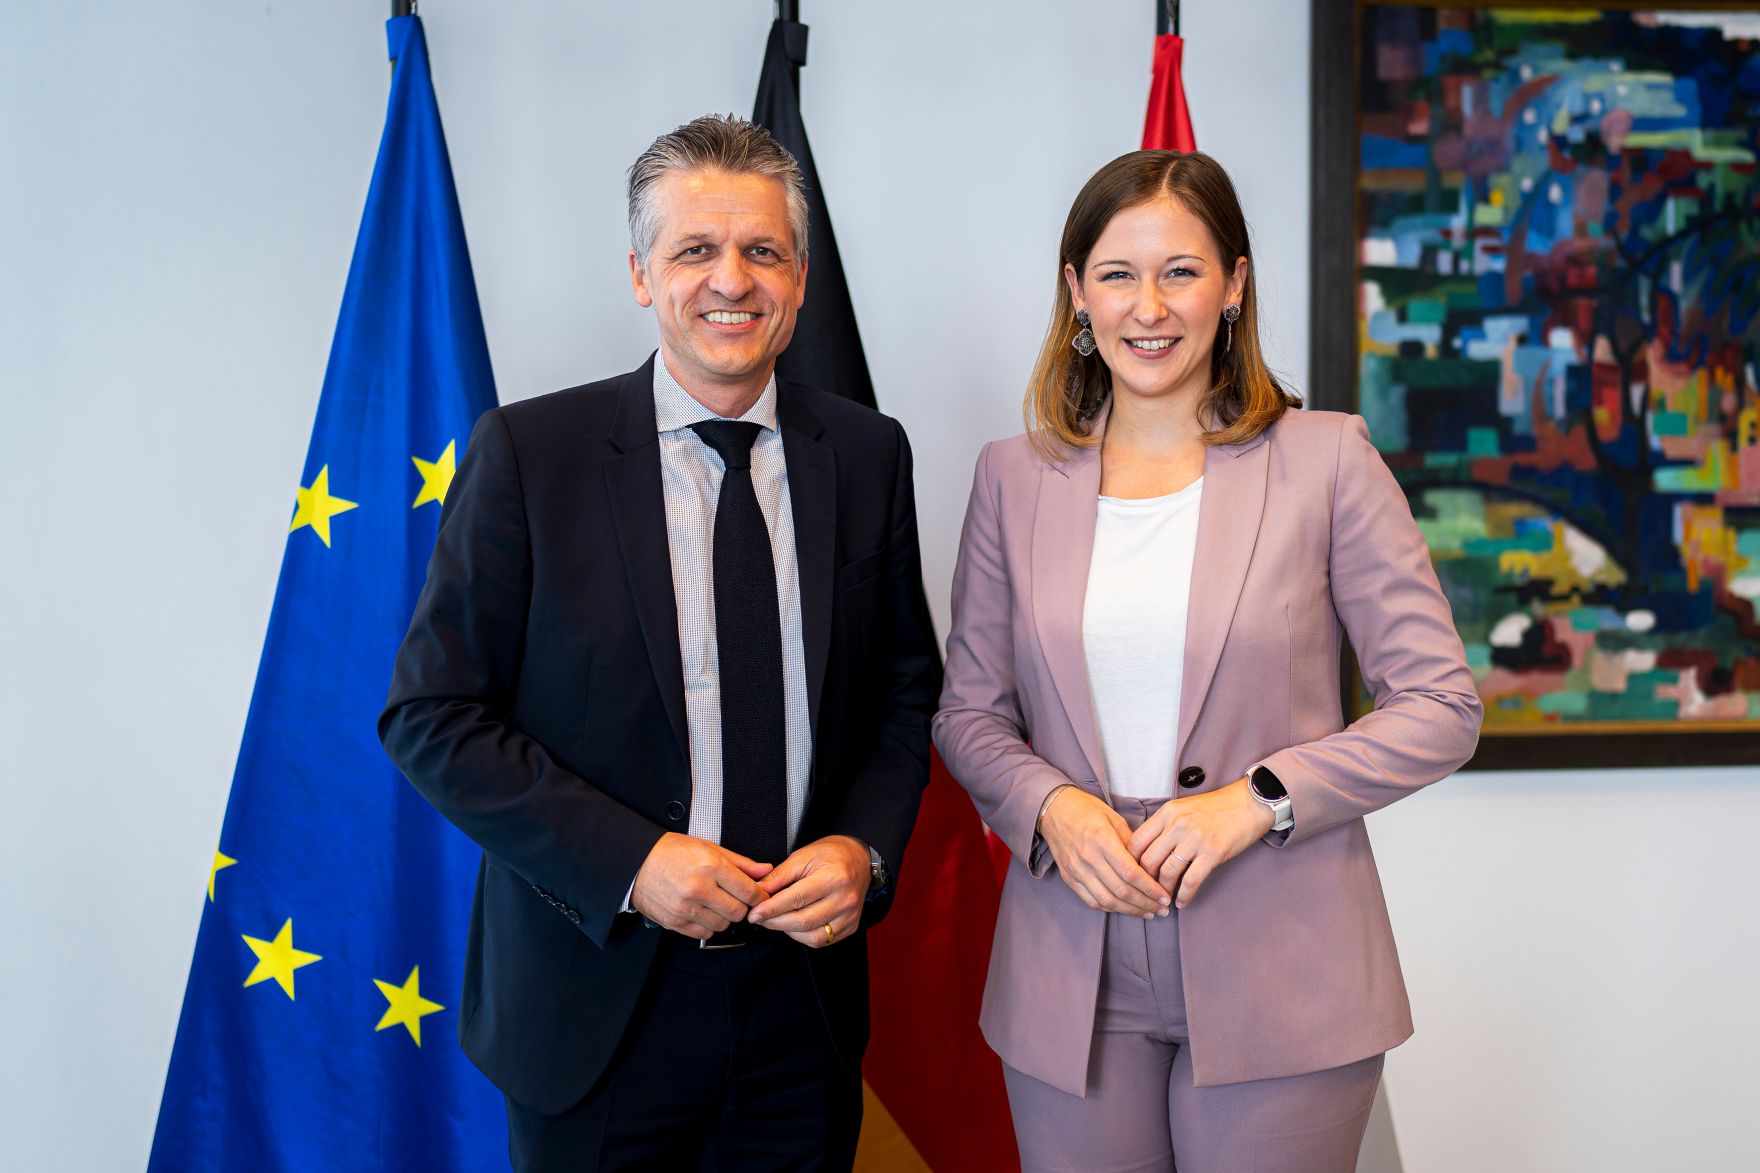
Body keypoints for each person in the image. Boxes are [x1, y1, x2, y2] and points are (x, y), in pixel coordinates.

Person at [380, 114, 940, 1171]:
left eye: (760, 250)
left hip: (800, 1012)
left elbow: (904, 694)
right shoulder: (528, 455)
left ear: (800, 275)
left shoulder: (866, 455)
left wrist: (862, 850)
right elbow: (430, 715)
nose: (730, 279)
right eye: (694, 250)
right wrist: (631, 862)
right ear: (641, 275)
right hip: (592, 1010)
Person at [933, 150, 1482, 1172]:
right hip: (1071, 961)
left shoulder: (1325, 459)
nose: (1148, 306)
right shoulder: (1012, 479)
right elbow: (967, 714)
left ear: (1232, 284)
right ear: (1074, 292)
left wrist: (1257, 798)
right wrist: (1051, 808)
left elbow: (1440, 704)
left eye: (1180, 271)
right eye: (1116, 273)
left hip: (1285, 956)